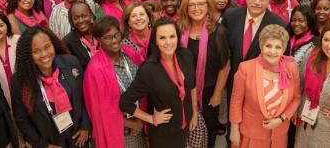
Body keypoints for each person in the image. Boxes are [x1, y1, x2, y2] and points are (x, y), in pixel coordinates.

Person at [120, 17, 199, 148]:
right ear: (155, 41)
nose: (168, 42)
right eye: (162, 38)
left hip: (184, 125)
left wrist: (195, 113)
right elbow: (125, 103)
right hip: (163, 133)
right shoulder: (148, 70)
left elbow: (192, 86)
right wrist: (151, 118)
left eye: (172, 36)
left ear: (178, 38)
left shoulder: (186, 55)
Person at [11, 26, 91, 147]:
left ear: (53, 45)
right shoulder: (20, 81)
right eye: (36, 51)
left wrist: (86, 126)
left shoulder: (71, 62)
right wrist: (42, 145)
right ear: (28, 55)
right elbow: (21, 119)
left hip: (78, 137)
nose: (44, 54)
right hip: (51, 142)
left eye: (47, 47)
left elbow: (87, 96)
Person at [230, 24, 301, 147]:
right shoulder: (245, 68)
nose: (272, 51)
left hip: (279, 134)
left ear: (283, 49)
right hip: (251, 134)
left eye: (278, 47)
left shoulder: (291, 67)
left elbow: (296, 98)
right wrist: (234, 130)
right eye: (268, 46)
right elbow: (236, 102)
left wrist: (282, 119)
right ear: (261, 46)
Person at [177, 0, 230, 147]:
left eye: (201, 4)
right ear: (186, 8)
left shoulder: (218, 31)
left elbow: (225, 65)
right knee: (186, 131)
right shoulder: (179, 29)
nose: (196, 8)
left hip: (208, 93)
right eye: (192, 5)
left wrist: (217, 95)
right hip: (183, 92)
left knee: (208, 132)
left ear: (208, 6)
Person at [84, 15, 145, 148]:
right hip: (120, 131)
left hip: (143, 121)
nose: (114, 41)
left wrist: (140, 119)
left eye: (116, 35)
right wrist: (133, 124)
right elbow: (102, 112)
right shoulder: (95, 70)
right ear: (98, 39)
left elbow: (145, 85)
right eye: (107, 37)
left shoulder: (130, 52)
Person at [221, 0, 287, 104]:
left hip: (260, 89)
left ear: (268, 0)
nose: (257, 2)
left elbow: (280, 61)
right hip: (231, 84)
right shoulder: (230, 16)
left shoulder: (279, 25)